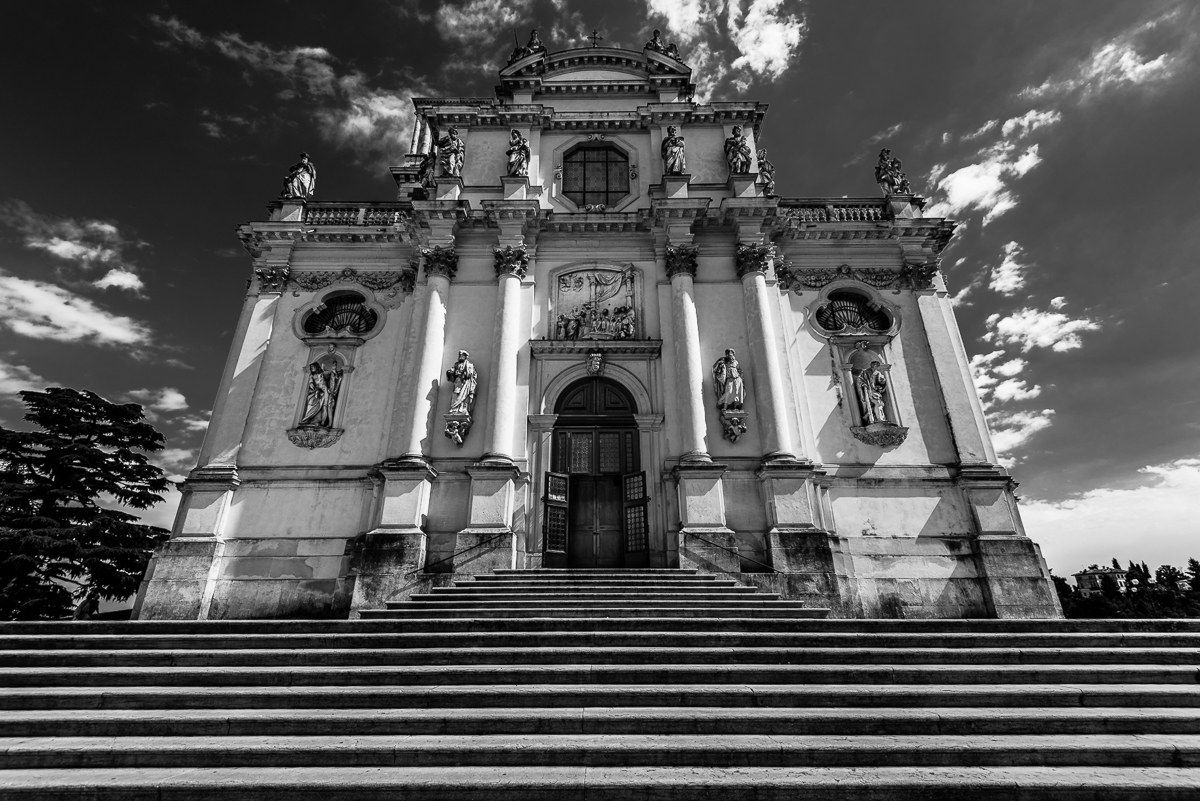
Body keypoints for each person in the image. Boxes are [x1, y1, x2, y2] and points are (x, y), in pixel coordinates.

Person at [299, 361, 342, 427]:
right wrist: (314, 388)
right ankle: (308, 419)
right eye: (311, 367)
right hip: (315, 391)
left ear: (316, 367)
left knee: (324, 406)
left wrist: (334, 370)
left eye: (313, 367)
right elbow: (311, 383)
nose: (312, 368)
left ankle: (321, 421)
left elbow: (332, 374)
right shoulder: (311, 375)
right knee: (311, 403)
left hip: (324, 391)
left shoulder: (322, 373)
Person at [446, 350, 477, 416]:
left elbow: (471, 374)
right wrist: (450, 372)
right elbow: (452, 371)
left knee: (464, 395)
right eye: (459, 355)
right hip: (458, 381)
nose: (460, 356)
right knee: (455, 393)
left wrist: (464, 374)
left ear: (465, 356)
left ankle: (462, 408)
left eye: (461, 355)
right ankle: (454, 408)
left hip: (465, 383)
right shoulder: (456, 364)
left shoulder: (469, 365)